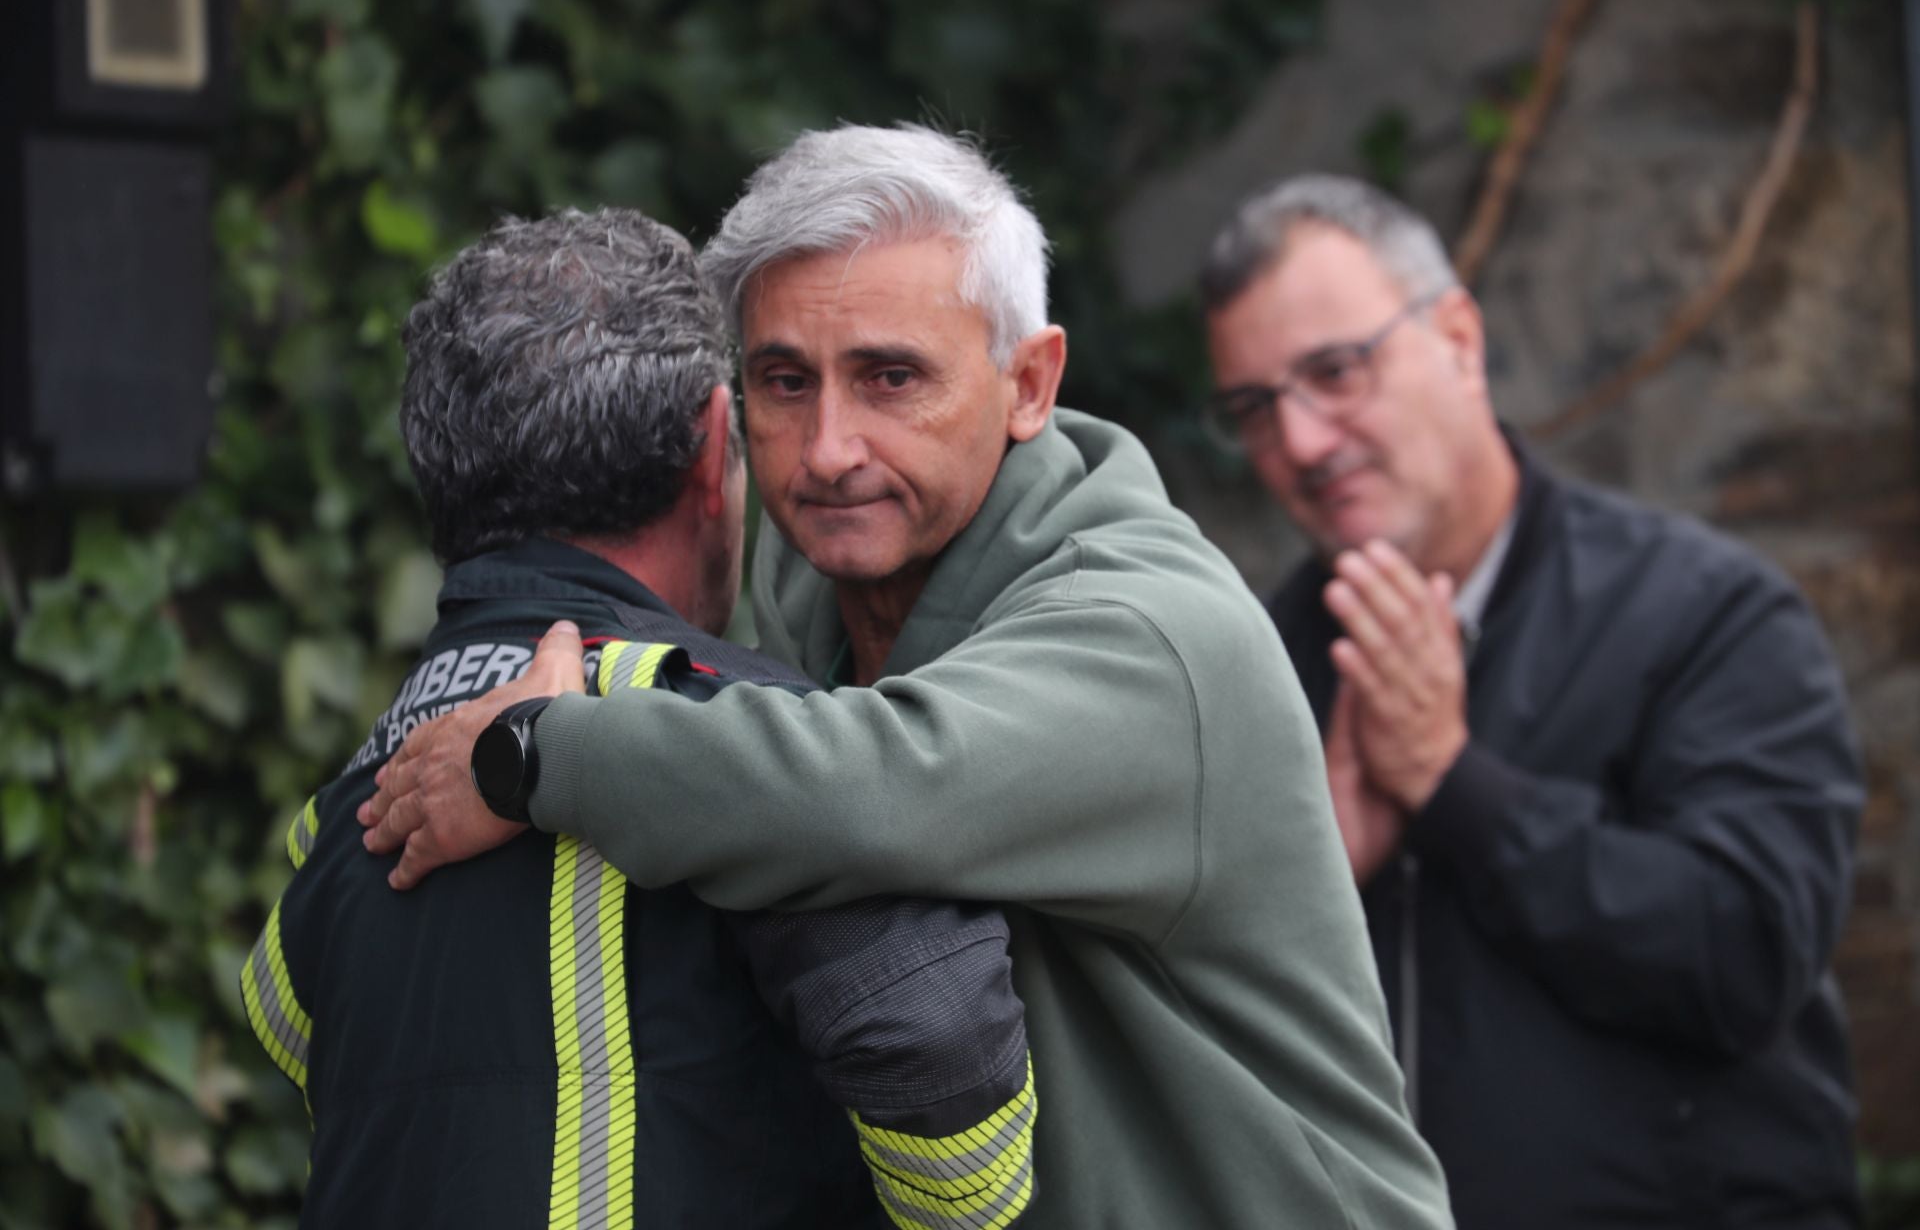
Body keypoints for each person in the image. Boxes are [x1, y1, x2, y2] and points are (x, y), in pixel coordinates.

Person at [359, 126, 1453, 1228]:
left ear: (1030, 383)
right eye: (785, 382)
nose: (830, 446)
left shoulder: (1151, 629)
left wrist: (532, 752)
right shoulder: (803, 573)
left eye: (892, 377)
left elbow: (872, 789)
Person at [240, 208, 1036, 1229]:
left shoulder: (349, 806)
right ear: (715, 444)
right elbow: (937, 1040)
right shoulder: (743, 742)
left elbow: (287, 1019)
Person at [1198, 173, 1864, 1229]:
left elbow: (1742, 954)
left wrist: (1454, 784)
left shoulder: (1709, 614)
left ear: (1459, 338)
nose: (1303, 443)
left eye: (1336, 371)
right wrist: (1301, 880)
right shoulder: (1257, 663)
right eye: (1256, 407)